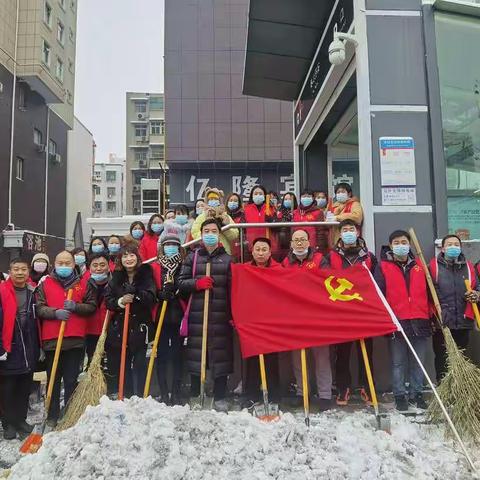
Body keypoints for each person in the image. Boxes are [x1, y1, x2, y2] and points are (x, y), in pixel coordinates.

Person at [321, 219, 380, 406]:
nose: (348, 232)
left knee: (366, 352)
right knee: (342, 352)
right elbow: (324, 280)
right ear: (340, 234)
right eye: (345, 230)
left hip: (364, 310)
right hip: (341, 311)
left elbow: (377, 281)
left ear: (357, 232)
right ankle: (343, 388)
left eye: (351, 229)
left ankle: (367, 386)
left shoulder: (368, 256)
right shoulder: (331, 257)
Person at [178, 218, 233, 412]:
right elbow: (181, 283)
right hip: (197, 315)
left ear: (219, 234)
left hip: (219, 316)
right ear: (201, 234)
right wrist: (197, 283)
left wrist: (232, 315)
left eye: (214, 231)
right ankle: (195, 394)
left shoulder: (227, 260)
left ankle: (219, 396)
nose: (210, 234)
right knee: (196, 356)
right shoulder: (192, 258)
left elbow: (233, 290)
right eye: (206, 231)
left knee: (220, 356)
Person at [36, 251, 96, 426]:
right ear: (54, 264)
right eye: (60, 263)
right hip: (52, 339)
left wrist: (76, 307)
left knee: (71, 379)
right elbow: (39, 307)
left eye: (67, 263)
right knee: (53, 378)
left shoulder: (84, 283)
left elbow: (92, 306)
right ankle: (52, 414)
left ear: (73, 264)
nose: (64, 266)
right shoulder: (45, 283)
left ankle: (69, 413)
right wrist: (55, 313)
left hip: (74, 340)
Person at [380, 230, 431, 412]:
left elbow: (431, 293)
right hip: (397, 320)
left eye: (404, 241)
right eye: (396, 242)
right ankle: (400, 394)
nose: (401, 245)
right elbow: (379, 293)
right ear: (391, 245)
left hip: (420, 319)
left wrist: (430, 313)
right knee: (398, 362)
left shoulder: (420, 265)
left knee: (418, 360)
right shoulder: (384, 266)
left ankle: (416, 393)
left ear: (409, 244)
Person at [282, 229, 332, 410]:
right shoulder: (286, 262)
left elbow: (327, 282)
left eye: (303, 239)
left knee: (322, 357)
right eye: (296, 240)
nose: (300, 243)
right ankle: (302, 392)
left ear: (309, 242)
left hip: (317, 316)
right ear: (291, 244)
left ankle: (325, 395)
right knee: (298, 357)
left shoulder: (319, 260)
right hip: (295, 317)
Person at [104, 243, 156, 397]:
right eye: (125, 256)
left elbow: (152, 297)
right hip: (121, 329)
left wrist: (136, 294)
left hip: (140, 327)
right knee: (123, 364)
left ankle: (140, 396)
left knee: (140, 363)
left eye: (131, 255)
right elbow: (108, 301)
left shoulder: (146, 274)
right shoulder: (116, 277)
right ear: (120, 259)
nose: (128, 259)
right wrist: (121, 301)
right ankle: (124, 395)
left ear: (137, 257)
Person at [430, 234, 480, 383]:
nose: (453, 247)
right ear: (443, 248)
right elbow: (429, 291)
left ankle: (459, 388)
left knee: (461, 356)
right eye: (449, 244)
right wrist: (438, 311)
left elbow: (477, 286)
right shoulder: (433, 267)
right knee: (442, 357)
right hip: (443, 320)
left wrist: (476, 294)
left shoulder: (469, 267)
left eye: (456, 244)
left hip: (464, 319)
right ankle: (443, 386)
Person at [0, 258, 40, 440]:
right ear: (10, 271)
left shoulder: (33, 291)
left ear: (28, 271)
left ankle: (21, 420)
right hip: (8, 346)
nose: (20, 272)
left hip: (28, 345)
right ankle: (8, 423)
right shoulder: (2, 290)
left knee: (24, 386)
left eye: (23, 269)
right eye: (16, 269)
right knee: (7, 388)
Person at [242, 238, 280, 408]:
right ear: (252, 251)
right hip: (251, 320)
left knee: (272, 358)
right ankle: (251, 394)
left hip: (272, 321)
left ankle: (273, 395)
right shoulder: (245, 270)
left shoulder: (278, 270)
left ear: (270, 252)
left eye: (264, 249)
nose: (261, 253)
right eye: (257, 249)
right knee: (252, 359)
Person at [151, 233, 185, 405]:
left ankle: (177, 392)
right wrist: (159, 294)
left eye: (174, 244)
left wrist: (178, 290)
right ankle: (164, 392)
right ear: (162, 247)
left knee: (179, 355)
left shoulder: (183, 265)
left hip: (179, 314)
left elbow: (187, 284)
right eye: (167, 244)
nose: (170, 247)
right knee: (162, 355)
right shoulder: (156, 267)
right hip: (161, 316)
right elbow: (150, 288)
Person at [191, 187, 238, 255]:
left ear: (220, 200)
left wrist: (225, 228)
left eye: (215, 199)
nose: (213, 201)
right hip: (205, 251)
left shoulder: (225, 216)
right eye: (210, 199)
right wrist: (206, 236)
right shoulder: (202, 216)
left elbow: (235, 235)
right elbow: (195, 232)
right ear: (207, 201)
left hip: (224, 252)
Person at [84, 253, 111, 367]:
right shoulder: (83, 285)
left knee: (110, 366)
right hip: (90, 331)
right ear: (89, 268)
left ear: (109, 267)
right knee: (93, 364)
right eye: (95, 265)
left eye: (102, 265)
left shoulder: (115, 283)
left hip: (110, 331)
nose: (99, 268)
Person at [243, 185, 277, 254]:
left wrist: (272, 221)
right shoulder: (246, 209)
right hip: (252, 246)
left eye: (260, 194)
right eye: (255, 194)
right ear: (252, 196)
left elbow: (277, 227)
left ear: (264, 196)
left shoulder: (271, 208)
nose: (258, 195)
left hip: (269, 245)